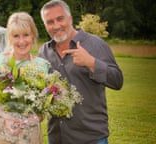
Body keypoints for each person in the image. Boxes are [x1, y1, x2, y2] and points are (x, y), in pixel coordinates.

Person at [38, 0, 124, 144]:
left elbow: (117, 81)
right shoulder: (44, 51)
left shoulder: (95, 44)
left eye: (60, 19)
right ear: (45, 26)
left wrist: (91, 63)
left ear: (70, 18)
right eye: (50, 22)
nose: (56, 26)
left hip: (91, 138)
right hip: (57, 138)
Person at [0, 12, 49, 144]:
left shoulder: (42, 66)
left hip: (29, 134)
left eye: (26, 35)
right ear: (9, 38)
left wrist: (38, 117)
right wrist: (5, 116)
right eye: (16, 36)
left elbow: (44, 103)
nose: (21, 41)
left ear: (33, 36)